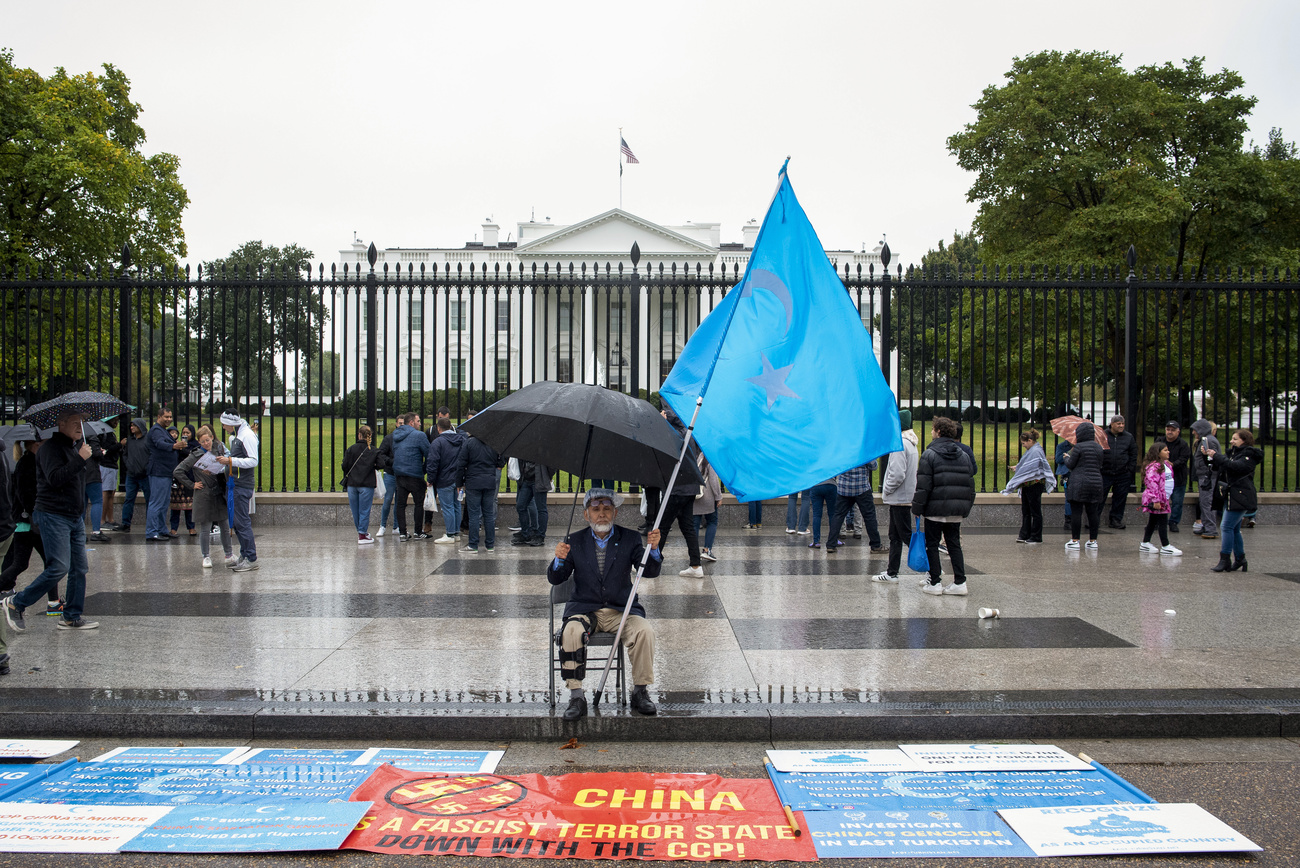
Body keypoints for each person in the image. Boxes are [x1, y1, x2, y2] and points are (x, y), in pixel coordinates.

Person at [548, 488, 662, 720]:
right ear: (586, 514)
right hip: (585, 610)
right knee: (570, 631)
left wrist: (654, 549)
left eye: (607, 509)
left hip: (621, 610)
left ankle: (640, 691)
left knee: (644, 632)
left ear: (615, 513)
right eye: (596, 509)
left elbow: (649, 572)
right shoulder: (574, 541)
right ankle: (576, 696)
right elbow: (556, 579)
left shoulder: (629, 538)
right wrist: (558, 560)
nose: (602, 514)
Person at [3, 409, 99, 632]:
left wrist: (79, 457)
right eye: (75, 422)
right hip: (53, 515)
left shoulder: (73, 447)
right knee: (59, 567)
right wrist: (80, 459)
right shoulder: (49, 449)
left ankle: (71, 616)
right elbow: (55, 479)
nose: (79, 426)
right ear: (61, 424)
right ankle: (16, 603)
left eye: (81, 422)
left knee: (80, 568)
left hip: (74, 517)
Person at [912, 416, 976, 595]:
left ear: (938, 432)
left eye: (933, 429)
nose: (931, 431)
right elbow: (970, 484)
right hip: (956, 509)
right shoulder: (963, 455)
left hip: (935, 509)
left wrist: (917, 509)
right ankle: (960, 582)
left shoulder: (929, 454)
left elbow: (923, 485)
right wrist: (966, 507)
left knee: (931, 544)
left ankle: (935, 582)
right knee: (954, 543)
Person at [0, 439, 58, 613]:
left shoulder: (29, 462)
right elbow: (26, 494)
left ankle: (54, 602)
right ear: (36, 445)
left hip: (27, 522)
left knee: (39, 562)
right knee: (47, 563)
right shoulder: (28, 464)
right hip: (29, 522)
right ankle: (53, 603)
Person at [175, 426, 236, 567]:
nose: (206, 444)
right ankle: (206, 556)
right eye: (202, 442)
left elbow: (229, 464)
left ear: (212, 438)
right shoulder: (195, 455)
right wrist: (192, 484)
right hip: (203, 493)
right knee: (205, 527)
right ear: (199, 442)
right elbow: (178, 471)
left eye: (207, 440)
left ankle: (229, 554)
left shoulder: (219, 449)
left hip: (218, 491)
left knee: (224, 525)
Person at [655, 407, 705, 578]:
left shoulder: (672, 433)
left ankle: (651, 562)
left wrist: (661, 423)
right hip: (689, 487)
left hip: (675, 488)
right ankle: (696, 565)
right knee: (688, 527)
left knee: (661, 527)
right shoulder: (688, 432)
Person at [873, 408, 919, 583]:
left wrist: (887, 489)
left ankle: (932, 568)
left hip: (899, 498)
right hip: (903, 497)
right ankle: (892, 572)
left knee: (905, 536)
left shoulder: (900, 444)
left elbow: (898, 474)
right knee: (895, 537)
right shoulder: (910, 443)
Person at [1207, 429, 1263, 573]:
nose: (1231, 441)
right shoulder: (1234, 454)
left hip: (1241, 496)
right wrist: (1210, 456)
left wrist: (1217, 456)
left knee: (1226, 527)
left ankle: (1225, 559)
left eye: (1235, 439)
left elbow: (1236, 467)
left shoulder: (1248, 456)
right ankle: (1240, 559)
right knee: (1235, 529)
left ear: (1244, 441)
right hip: (1232, 495)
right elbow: (1223, 468)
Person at [217, 410, 260, 571]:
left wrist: (230, 460)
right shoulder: (239, 435)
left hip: (241, 485)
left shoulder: (246, 436)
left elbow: (253, 460)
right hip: (235, 484)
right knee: (236, 522)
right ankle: (245, 554)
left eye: (224, 423)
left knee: (241, 522)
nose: (223, 427)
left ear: (231, 423)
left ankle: (251, 557)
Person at [455, 425, 503, 553]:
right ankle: (490, 545)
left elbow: (461, 464)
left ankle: (473, 544)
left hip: (473, 482)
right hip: (489, 482)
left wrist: (459, 483)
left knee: (474, 515)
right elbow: (502, 460)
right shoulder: (494, 444)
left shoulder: (469, 443)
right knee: (488, 515)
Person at [1003, 428, 1054, 544]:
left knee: (1034, 511)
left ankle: (1036, 536)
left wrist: (1020, 469)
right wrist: (1018, 468)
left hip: (1034, 484)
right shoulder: (1032, 450)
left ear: (1030, 440)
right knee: (1026, 510)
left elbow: (1032, 466)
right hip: (1028, 484)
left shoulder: (1036, 451)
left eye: (1024, 443)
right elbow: (1027, 465)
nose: (1023, 445)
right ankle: (1025, 534)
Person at [1063, 421, 1106, 551]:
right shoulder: (1099, 448)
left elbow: (1071, 464)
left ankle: (1075, 540)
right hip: (1096, 483)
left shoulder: (1079, 447)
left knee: (1077, 512)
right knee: (1093, 513)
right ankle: (1093, 541)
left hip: (1079, 482)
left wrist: (1066, 457)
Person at [144, 408, 185, 541]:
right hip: (158, 471)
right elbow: (159, 443)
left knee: (163, 502)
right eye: (166, 417)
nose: (169, 419)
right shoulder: (156, 430)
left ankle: (161, 529)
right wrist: (174, 446)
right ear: (159, 416)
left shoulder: (162, 431)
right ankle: (151, 532)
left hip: (165, 472)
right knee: (156, 502)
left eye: (170, 417)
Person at [826, 460, 884, 553]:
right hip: (862, 488)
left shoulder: (842, 449)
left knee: (838, 516)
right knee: (869, 517)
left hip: (844, 488)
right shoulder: (863, 448)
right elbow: (874, 467)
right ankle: (875, 545)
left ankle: (831, 544)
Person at [1137, 441, 1180, 556]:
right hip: (1158, 499)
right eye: (1165, 450)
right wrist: (1156, 500)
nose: (1168, 452)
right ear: (1158, 453)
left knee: (1153, 520)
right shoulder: (1155, 467)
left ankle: (1145, 542)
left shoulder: (1166, 465)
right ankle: (1165, 545)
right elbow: (1152, 483)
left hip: (1163, 498)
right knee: (1162, 521)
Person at [426, 417, 465, 545]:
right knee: (456, 506)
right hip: (458, 479)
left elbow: (432, 462)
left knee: (447, 507)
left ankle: (449, 534)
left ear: (438, 428)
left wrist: (430, 479)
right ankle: (455, 533)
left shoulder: (437, 442)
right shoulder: (462, 440)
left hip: (444, 479)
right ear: (451, 427)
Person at [341, 424, 380, 545]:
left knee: (355, 510)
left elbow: (344, 465)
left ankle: (361, 532)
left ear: (359, 435)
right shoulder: (372, 450)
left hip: (352, 484)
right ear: (370, 436)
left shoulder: (351, 449)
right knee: (364, 510)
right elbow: (381, 464)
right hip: (366, 484)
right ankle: (362, 534)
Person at [114, 418, 150, 533]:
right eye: (131, 425)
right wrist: (128, 464)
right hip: (132, 474)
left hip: (145, 475)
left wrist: (146, 467)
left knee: (149, 500)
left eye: (134, 425)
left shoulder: (148, 440)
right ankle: (125, 523)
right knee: (129, 499)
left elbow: (151, 455)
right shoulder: (130, 440)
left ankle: (150, 524)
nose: (131, 428)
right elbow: (125, 454)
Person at [1101, 415, 1137, 529]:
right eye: (1118, 424)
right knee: (1099, 497)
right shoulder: (1103, 435)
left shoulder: (1128, 437)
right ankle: (1094, 519)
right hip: (1105, 472)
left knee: (1120, 498)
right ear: (1112, 424)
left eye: (1122, 424)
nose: (1121, 426)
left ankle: (1116, 520)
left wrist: (1129, 469)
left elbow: (1133, 454)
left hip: (1123, 473)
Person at [1190, 420, 1222, 539]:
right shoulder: (1206, 440)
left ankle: (1210, 528)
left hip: (1207, 476)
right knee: (1205, 502)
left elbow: (1212, 459)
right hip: (1205, 475)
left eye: (1195, 430)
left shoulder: (1208, 441)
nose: (1193, 432)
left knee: (1206, 502)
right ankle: (1207, 526)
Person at [374, 415, 404, 538]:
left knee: (399, 501)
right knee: (387, 500)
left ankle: (396, 526)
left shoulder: (406, 438)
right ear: (396, 424)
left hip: (401, 473)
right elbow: (381, 453)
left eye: (404, 423)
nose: (401, 425)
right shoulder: (389, 438)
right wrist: (392, 462)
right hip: (390, 473)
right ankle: (383, 526)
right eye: (400, 423)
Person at [513, 460, 552, 547]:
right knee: (520, 506)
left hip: (538, 478)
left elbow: (552, 464)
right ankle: (526, 533)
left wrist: (548, 476)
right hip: (526, 479)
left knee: (541, 508)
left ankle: (540, 536)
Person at [692, 453, 722, 562]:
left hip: (695, 496)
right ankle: (707, 550)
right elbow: (713, 480)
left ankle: (693, 552)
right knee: (712, 522)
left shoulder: (694, 457)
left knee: (694, 525)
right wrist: (718, 497)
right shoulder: (709, 458)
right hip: (708, 497)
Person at [1163, 421, 1192, 533]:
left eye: (1172, 430)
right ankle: (1159, 520)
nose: (1170, 432)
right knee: (1161, 500)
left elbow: (1184, 459)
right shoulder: (1160, 441)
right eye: (1168, 429)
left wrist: (1172, 464)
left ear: (1178, 431)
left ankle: (1173, 522)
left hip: (1178, 478)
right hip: (1162, 479)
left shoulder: (1183, 444)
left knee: (1177, 502)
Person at [169, 424, 197, 537]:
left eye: (188, 433)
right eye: (183, 433)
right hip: (178, 478)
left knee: (189, 506)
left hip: (189, 478)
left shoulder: (195, 445)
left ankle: (191, 527)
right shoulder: (177, 445)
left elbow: (194, 456)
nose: (185, 435)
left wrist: (184, 450)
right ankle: (173, 528)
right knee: (176, 506)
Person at [806, 476, 837, 549]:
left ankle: (816, 541)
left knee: (816, 515)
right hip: (831, 484)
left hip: (816, 484)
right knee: (832, 514)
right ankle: (833, 540)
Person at [1054, 437, 1073, 531]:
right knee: (1068, 498)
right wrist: (1070, 452)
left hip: (1078, 473)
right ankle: (1068, 520)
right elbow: (1058, 459)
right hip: (1067, 474)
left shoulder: (1081, 446)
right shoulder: (1062, 446)